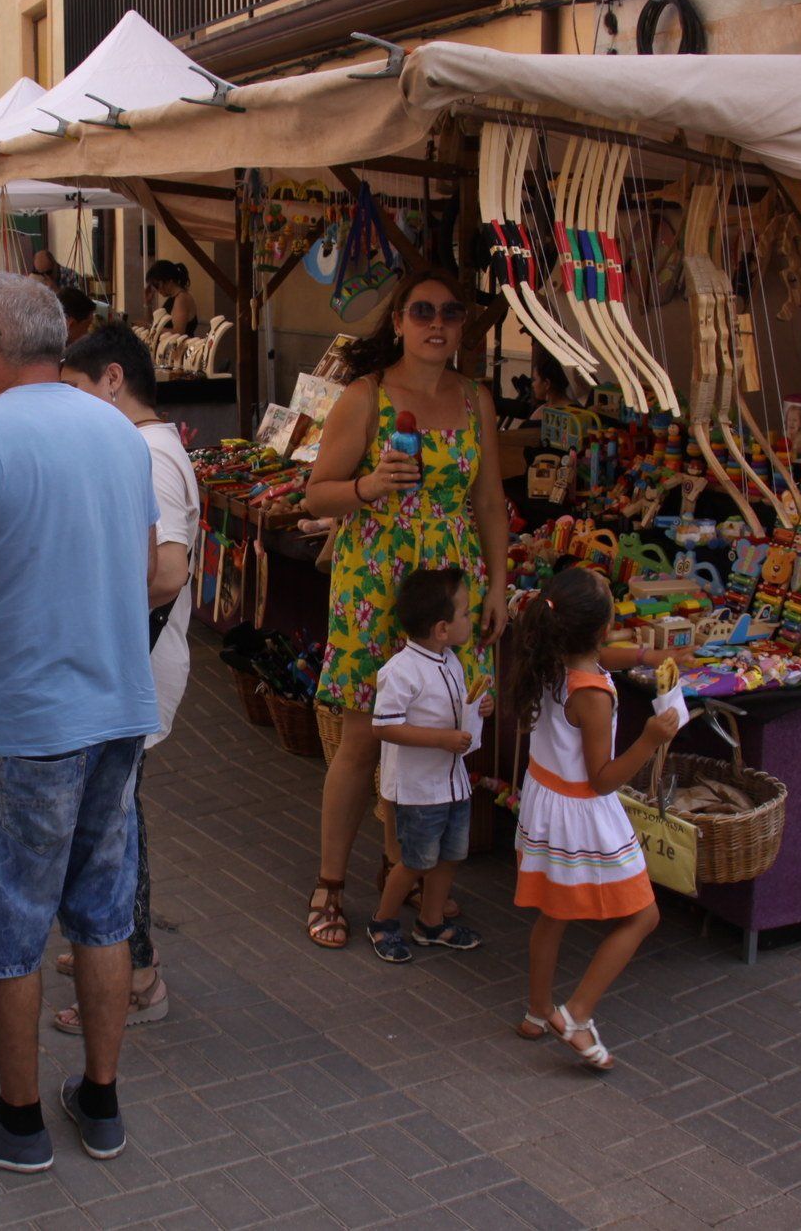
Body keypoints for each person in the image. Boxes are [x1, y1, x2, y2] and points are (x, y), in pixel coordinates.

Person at [0, 273, 158, 1173]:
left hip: (23, 724)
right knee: (102, 914)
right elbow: (144, 570)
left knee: (9, 924)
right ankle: (101, 1098)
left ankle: (18, 1123)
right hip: (117, 711)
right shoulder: (120, 433)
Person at [301, 272, 508, 950]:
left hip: (449, 586)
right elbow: (316, 494)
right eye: (422, 311)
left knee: (438, 727)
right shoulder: (366, 397)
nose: (437, 323)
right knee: (365, 734)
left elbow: (488, 502)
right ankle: (330, 882)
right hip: (376, 580)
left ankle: (404, 870)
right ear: (398, 322)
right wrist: (368, 484)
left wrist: (498, 586)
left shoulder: (475, 399)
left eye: (450, 312)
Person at [50, 324, 196, 1033]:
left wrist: (88, 611)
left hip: (133, 663)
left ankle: (135, 974)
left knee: (113, 822)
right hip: (125, 661)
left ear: (113, 379)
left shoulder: (148, 452)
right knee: (111, 815)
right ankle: (112, 949)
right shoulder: (141, 445)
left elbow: (168, 573)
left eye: (77, 391)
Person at [511, 567, 678, 1072]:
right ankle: (577, 1013)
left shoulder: (552, 660)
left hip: (545, 803)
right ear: (603, 628)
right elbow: (603, 779)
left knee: (553, 912)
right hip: (583, 817)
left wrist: (646, 657)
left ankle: (538, 1011)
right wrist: (650, 739)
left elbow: (601, 657)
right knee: (644, 916)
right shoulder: (594, 695)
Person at [366, 568, 489, 964]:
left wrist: (479, 708)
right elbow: (384, 726)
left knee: (450, 856)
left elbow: (455, 710)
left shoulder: (450, 661)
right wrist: (440, 739)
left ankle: (430, 923)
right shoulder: (400, 671)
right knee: (415, 861)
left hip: (453, 784)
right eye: (465, 613)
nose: (470, 619)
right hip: (420, 789)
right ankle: (383, 922)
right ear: (441, 628)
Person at [143, 260, 197, 337]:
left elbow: (178, 332)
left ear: (169, 281)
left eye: (157, 285)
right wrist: (148, 302)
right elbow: (155, 323)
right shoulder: (173, 299)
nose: (157, 290)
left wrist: (150, 328)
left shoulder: (181, 299)